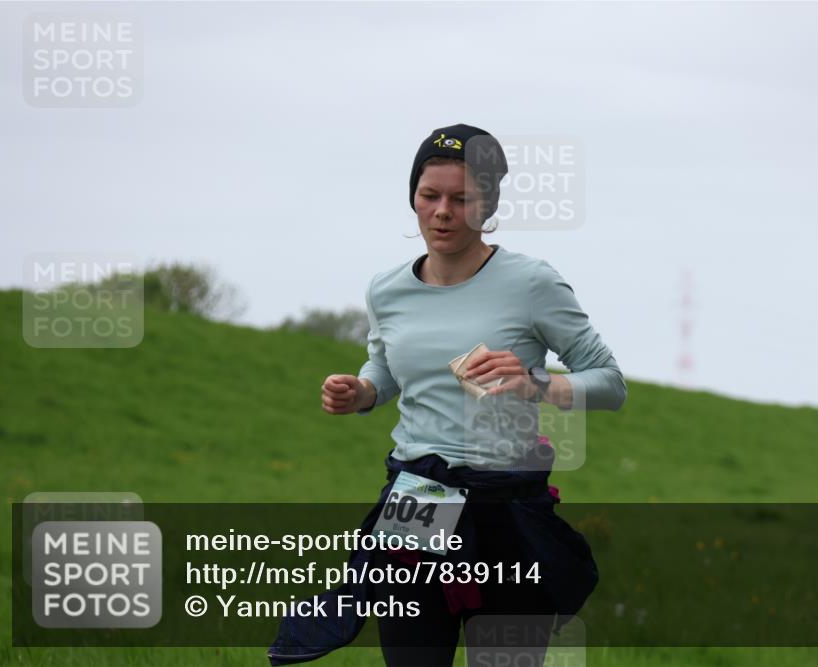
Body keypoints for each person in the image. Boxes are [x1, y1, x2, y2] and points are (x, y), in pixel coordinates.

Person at [267, 124, 626, 667]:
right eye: (429, 195)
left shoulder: (532, 283)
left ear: (488, 205)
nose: (442, 212)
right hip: (419, 499)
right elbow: (386, 367)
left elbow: (609, 382)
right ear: (412, 195)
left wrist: (537, 384)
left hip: (505, 505)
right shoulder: (386, 289)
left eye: (462, 200)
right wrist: (362, 390)